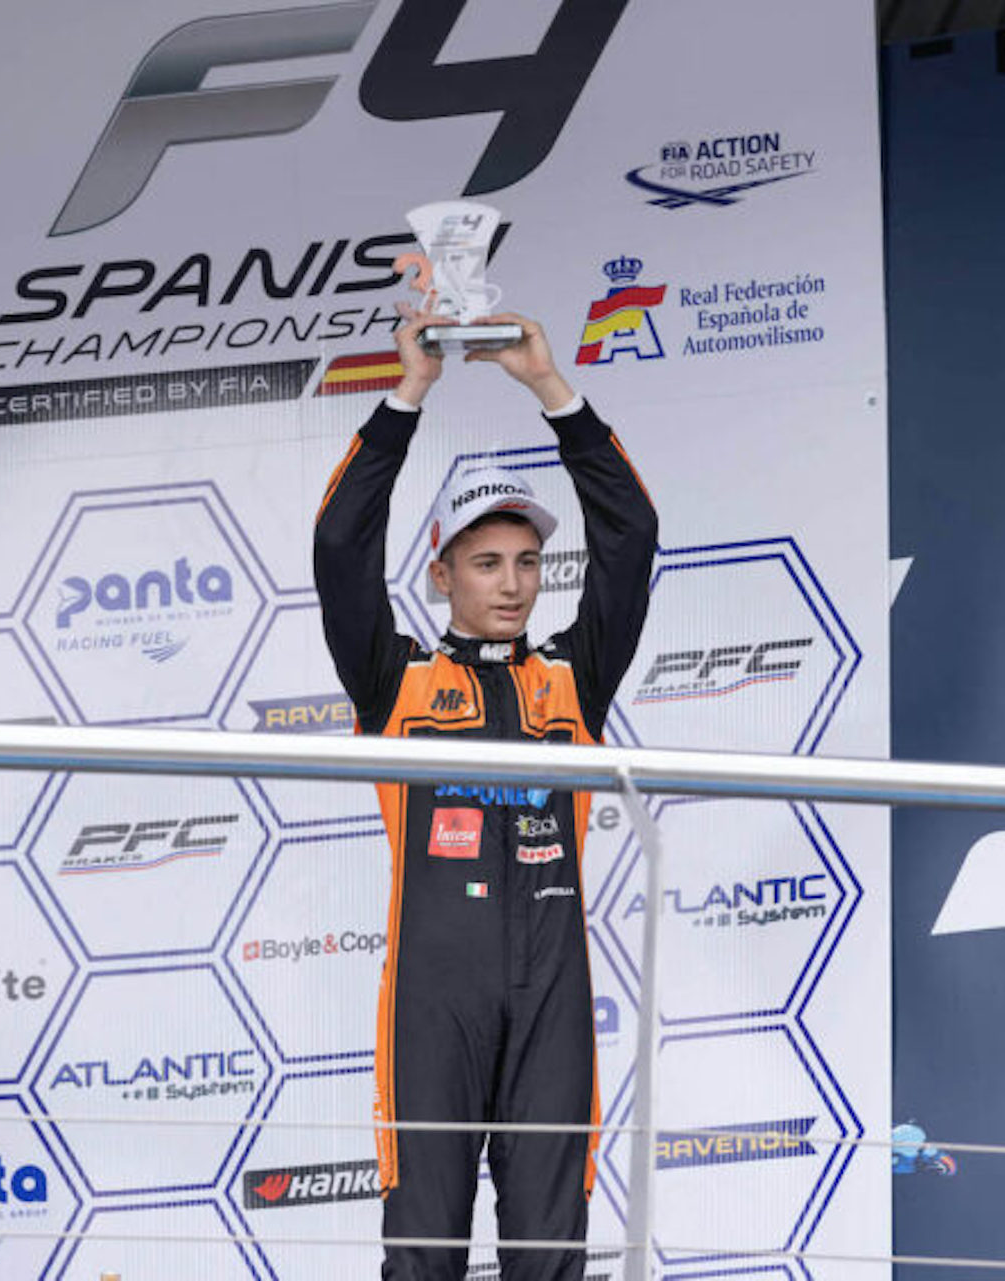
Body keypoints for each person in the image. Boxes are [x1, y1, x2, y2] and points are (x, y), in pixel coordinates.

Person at [313, 308, 658, 1280]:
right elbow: (340, 546)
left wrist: (551, 388)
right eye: (486, 562)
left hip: (554, 999)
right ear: (441, 574)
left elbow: (631, 535)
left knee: (550, 1255)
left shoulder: (573, 678)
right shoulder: (396, 683)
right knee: (423, 1253)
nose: (512, 585)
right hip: (435, 1000)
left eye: (527, 562)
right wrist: (408, 393)